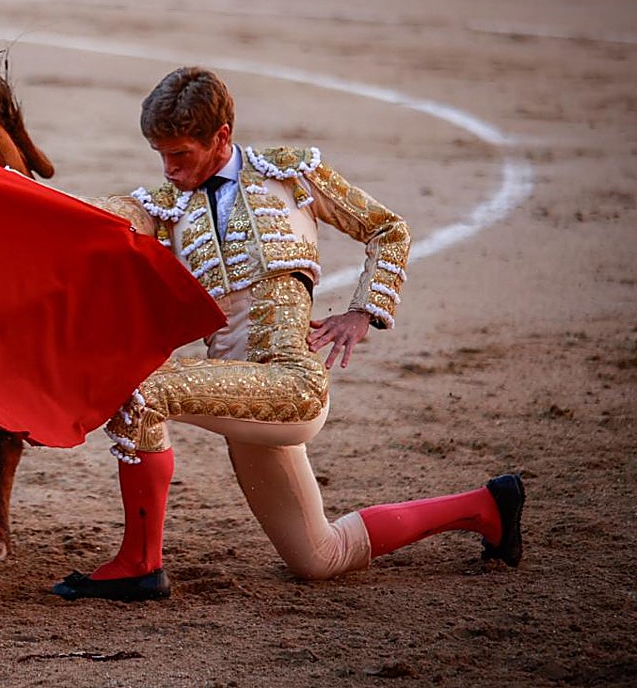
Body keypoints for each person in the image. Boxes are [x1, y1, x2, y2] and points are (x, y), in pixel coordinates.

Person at [52, 67, 524, 602]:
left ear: (221, 136)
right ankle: (488, 508)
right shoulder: (164, 208)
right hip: (237, 396)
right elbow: (99, 216)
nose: (170, 168)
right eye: (161, 154)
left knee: (139, 389)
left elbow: (388, 229)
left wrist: (363, 312)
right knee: (319, 556)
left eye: (180, 154)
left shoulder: (289, 174)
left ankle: (140, 565)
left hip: (288, 384)